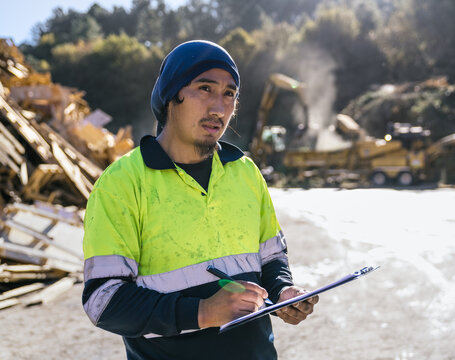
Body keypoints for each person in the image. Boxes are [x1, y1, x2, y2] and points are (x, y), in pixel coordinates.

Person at [82, 40, 318, 360]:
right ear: (170, 96)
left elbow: (271, 257)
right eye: (205, 88)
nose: (219, 108)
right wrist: (203, 312)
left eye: (229, 93)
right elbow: (103, 301)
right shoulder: (121, 184)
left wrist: (281, 293)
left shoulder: (246, 173)